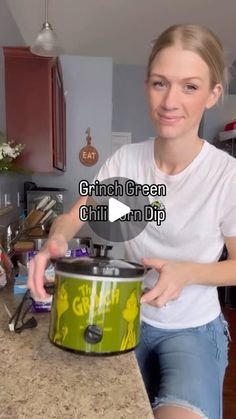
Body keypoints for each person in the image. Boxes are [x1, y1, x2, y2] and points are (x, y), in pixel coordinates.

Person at [28, 23, 236, 419]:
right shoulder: (125, 163)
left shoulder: (227, 177)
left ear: (212, 94)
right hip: (123, 314)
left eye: (189, 86)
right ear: (146, 87)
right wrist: (55, 241)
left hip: (193, 328)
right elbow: (76, 216)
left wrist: (186, 273)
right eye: (160, 83)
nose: (170, 101)